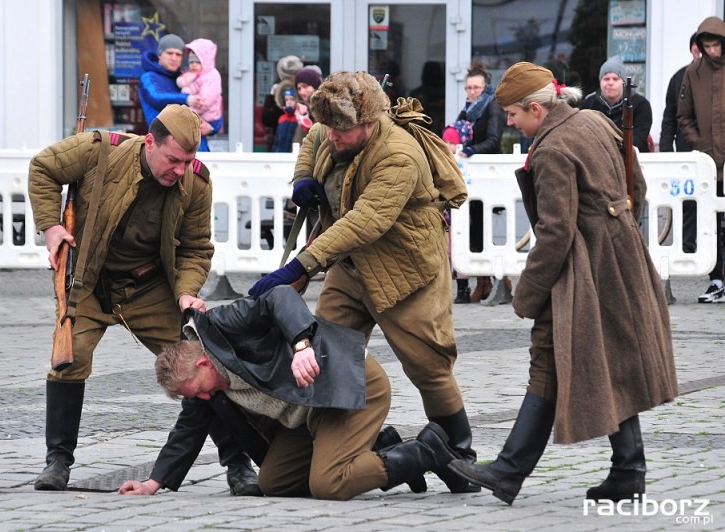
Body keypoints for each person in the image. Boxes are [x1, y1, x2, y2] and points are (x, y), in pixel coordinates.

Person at [448, 62, 677, 505]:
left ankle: (513, 471)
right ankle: (623, 470)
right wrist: (620, 225)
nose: (510, 123)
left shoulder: (552, 148)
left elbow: (555, 231)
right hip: (619, 255)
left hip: (582, 269)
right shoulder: (592, 119)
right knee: (583, 358)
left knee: (552, 357)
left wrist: (527, 294)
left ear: (537, 108)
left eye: (514, 114)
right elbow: (637, 184)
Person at [248, 71, 479, 494]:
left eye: (343, 130)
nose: (333, 137)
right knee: (326, 356)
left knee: (428, 365)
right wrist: (303, 178)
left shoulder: (398, 153)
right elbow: (314, 138)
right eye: (331, 127)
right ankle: (374, 444)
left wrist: (300, 266)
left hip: (405, 271)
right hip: (351, 269)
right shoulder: (333, 126)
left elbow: (366, 220)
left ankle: (459, 452)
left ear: (370, 123)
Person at [27, 104, 260, 496]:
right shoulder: (98, 151)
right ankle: (58, 460)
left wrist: (187, 290)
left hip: (150, 289)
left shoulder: (196, 184)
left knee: (202, 361)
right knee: (70, 358)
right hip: (89, 281)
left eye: (188, 161)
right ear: (150, 142)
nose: (180, 170)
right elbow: (43, 168)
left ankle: (238, 465)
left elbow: (195, 247)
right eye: (173, 159)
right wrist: (51, 226)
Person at [119, 286, 471, 500]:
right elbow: (187, 432)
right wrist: (154, 482)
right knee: (273, 483)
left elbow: (279, 296)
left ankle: (427, 451)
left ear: (202, 365)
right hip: (310, 416)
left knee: (329, 484)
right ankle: (384, 450)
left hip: (346, 384)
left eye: (196, 390)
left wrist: (302, 344)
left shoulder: (224, 326)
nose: (202, 399)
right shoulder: (206, 389)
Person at [446, 61, 505, 304]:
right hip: (470, 177)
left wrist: (469, 150)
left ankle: (488, 280)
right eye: (469, 88)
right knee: (469, 229)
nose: (472, 92)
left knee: (480, 229)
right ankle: (480, 281)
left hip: (487, 174)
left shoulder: (492, 106)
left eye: (476, 88)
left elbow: (493, 139)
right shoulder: (468, 108)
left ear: (485, 87)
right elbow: (454, 133)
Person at [678, 17, 725, 303]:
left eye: (716, 45)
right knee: (712, 222)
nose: (712, 51)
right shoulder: (693, 73)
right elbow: (683, 115)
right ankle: (716, 279)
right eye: (707, 46)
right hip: (708, 163)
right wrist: (700, 145)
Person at [661, 33, 701, 255]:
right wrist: (667, 153)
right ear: (691, 49)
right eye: (696, 46)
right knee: (687, 199)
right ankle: (687, 246)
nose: (700, 50)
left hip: (714, 151)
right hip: (685, 150)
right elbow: (669, 119)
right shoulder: (678, 78)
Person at [138, 34, 214, 141]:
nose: (174, 58)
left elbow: (212, 107)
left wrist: (212, 127)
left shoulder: (183, 78)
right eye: (169, 53)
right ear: (159, 54)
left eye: (178, 55)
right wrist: (186, 99)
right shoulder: (148, 77)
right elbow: (155, 97)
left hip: (195, 144)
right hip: (166, 145)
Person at [579, 56, 653, 153]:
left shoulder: (641, 105)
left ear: (624, 82)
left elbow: (639, 139)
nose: (610, 83)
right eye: (606, 79)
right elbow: (581, 136)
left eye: (615, 79)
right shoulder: (588, 104)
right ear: (600, 81)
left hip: (633, 159)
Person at [176, 38, 223, 152]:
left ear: (206, 61)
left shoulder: (211, 76)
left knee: (198, 147)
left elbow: (205, 101)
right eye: (191, 62)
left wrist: (188, 111)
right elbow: (192, 88)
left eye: (198, 62)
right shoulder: (197, 75)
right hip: (199, 116)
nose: (193, 65)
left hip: (209, 116)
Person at [260, 55, 303, 150]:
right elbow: (267, 119)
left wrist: (272, 96)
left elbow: (267, 119)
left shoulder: (301, 92)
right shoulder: (282, 92)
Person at [291, 66, 323, 145]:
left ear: (315, 86)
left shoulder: (324, 107)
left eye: (305, 86)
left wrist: (306, 113)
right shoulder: (298, 108)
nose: (301, 92)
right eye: (299, 88)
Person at [271, 88, 299, 153]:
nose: (289, 102)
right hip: (279, 155)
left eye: (292, 99)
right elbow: (277, 140)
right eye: (286, 100)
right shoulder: (281, 118)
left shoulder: (299, 118)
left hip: (293, 155)